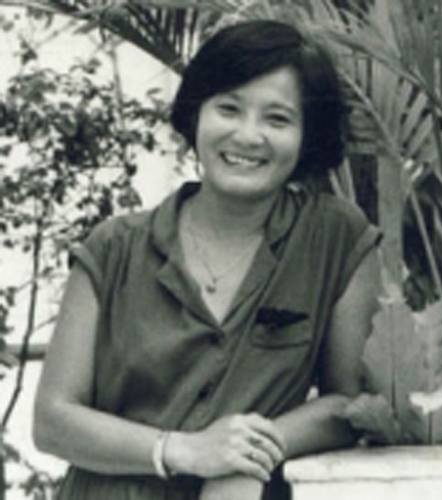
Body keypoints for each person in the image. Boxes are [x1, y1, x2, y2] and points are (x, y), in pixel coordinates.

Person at [33, 19, 381, 500]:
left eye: (277, 119)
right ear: (196, 113)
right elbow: (52, 421)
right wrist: (183, 450)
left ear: (308, 135)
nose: (248, 135)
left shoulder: (337, 239)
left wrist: (247, 456)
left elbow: (351, 404)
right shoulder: (113, 248)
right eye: (229, 109)